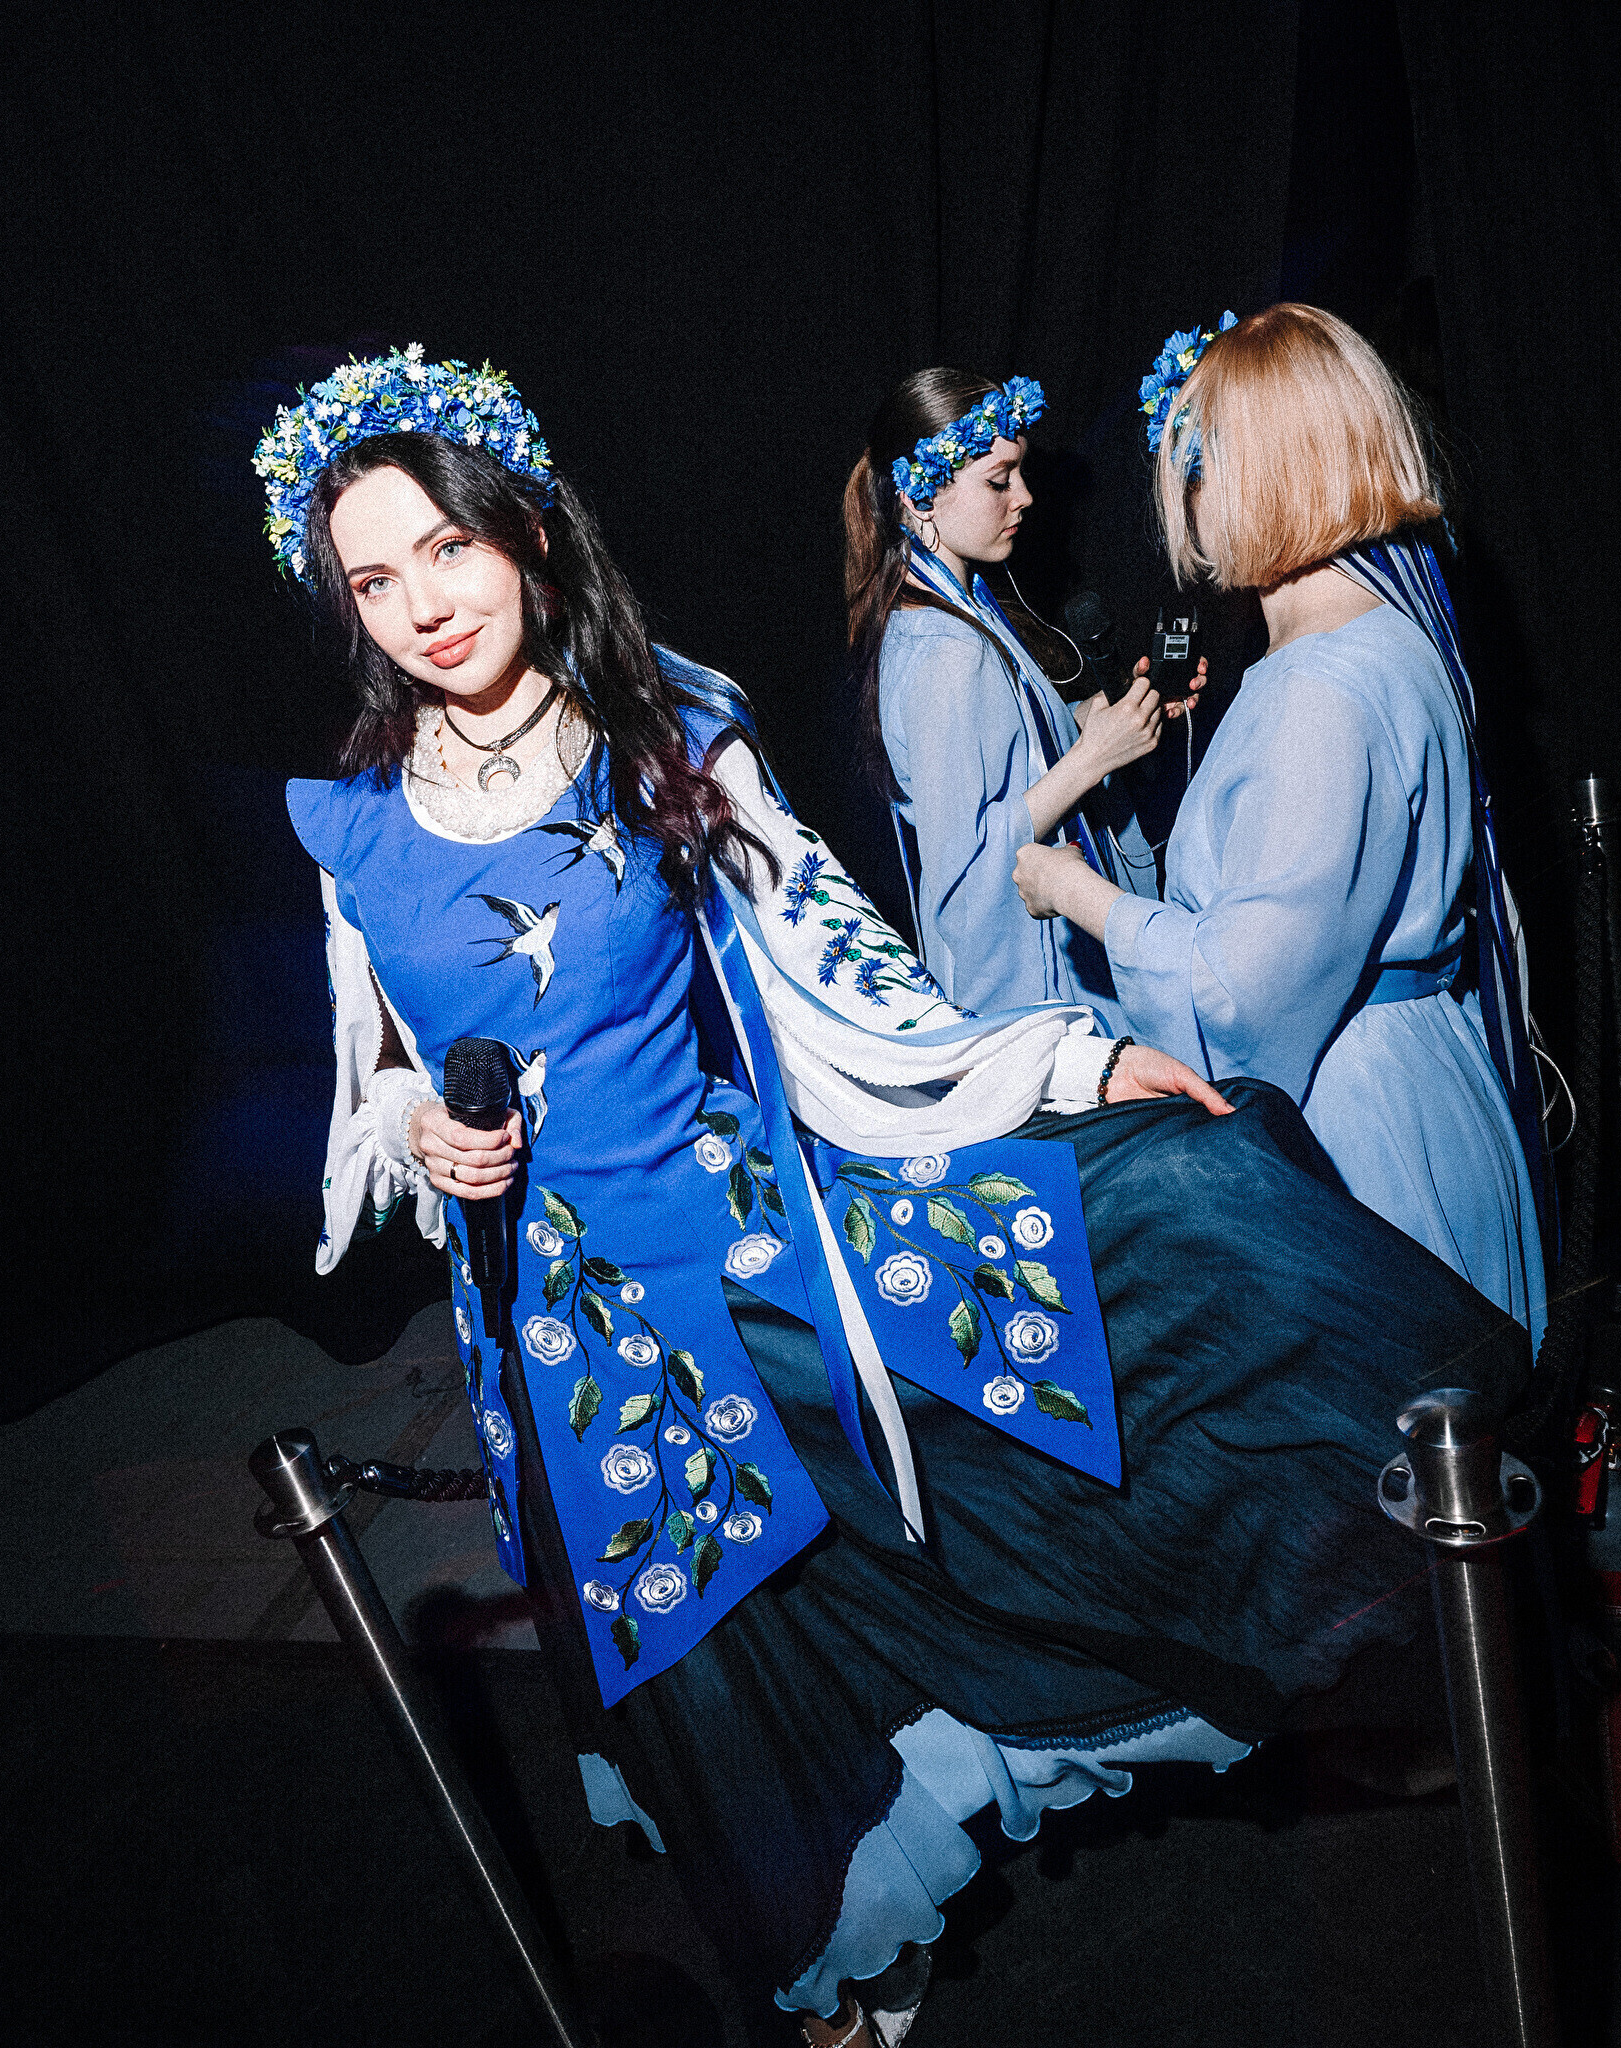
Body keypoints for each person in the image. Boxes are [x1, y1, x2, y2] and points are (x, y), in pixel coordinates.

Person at [263, 346, 1521, 2042]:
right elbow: (376, 1072)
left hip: (748, 1257)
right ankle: (827, 1986)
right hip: (558, 1340)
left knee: (1088, 1333)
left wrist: (1069, 1062)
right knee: (698, 1663)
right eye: (372, 579)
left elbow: (843, 973)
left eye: (447, 546)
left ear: (530, 534)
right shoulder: (353, 825)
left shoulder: (670, 729)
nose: (421, 604)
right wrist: (423, 1127)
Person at [1014, 304, 1549, 1340]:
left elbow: (1244, 997)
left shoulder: (1318, 689)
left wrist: (1080, 895)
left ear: (1250, 475)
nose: (1188, 508)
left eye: (1195, 471)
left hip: (1356, 1128)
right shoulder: (1393, 632)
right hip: (1426, 1085)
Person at [845, 369, 1198, 1029]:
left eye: (1021, 474)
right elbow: (965, 871)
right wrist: (1092, 758)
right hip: (1032, 1003)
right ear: (921, 498)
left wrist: (1101, 721)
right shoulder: (945, 650)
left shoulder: (965, 607)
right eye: (998, 481)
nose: (1026, 497)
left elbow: (1008, 759)